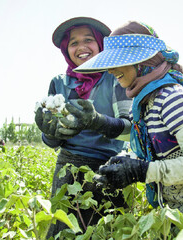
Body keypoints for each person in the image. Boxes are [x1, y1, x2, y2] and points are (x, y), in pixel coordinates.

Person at [73, 21, 183, 227]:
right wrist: (98, 122)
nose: (111, 71)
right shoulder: (147, 98)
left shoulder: (171, 97)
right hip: (180, 200)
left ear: (143, 62)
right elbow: (142, 133)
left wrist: (140, 171)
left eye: (118, 62)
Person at [34, 17, 132, 237]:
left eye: (88, 40)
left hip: (107, 170)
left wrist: (97, 121)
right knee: (65, 230)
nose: (81, 47)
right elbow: (52, 139)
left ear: (100, 44)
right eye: (73, 43)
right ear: (66, 50)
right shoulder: (59, 83)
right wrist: (50, 133)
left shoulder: (115, 77)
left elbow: (129, 128)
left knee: (105, 231)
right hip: (67, 170)